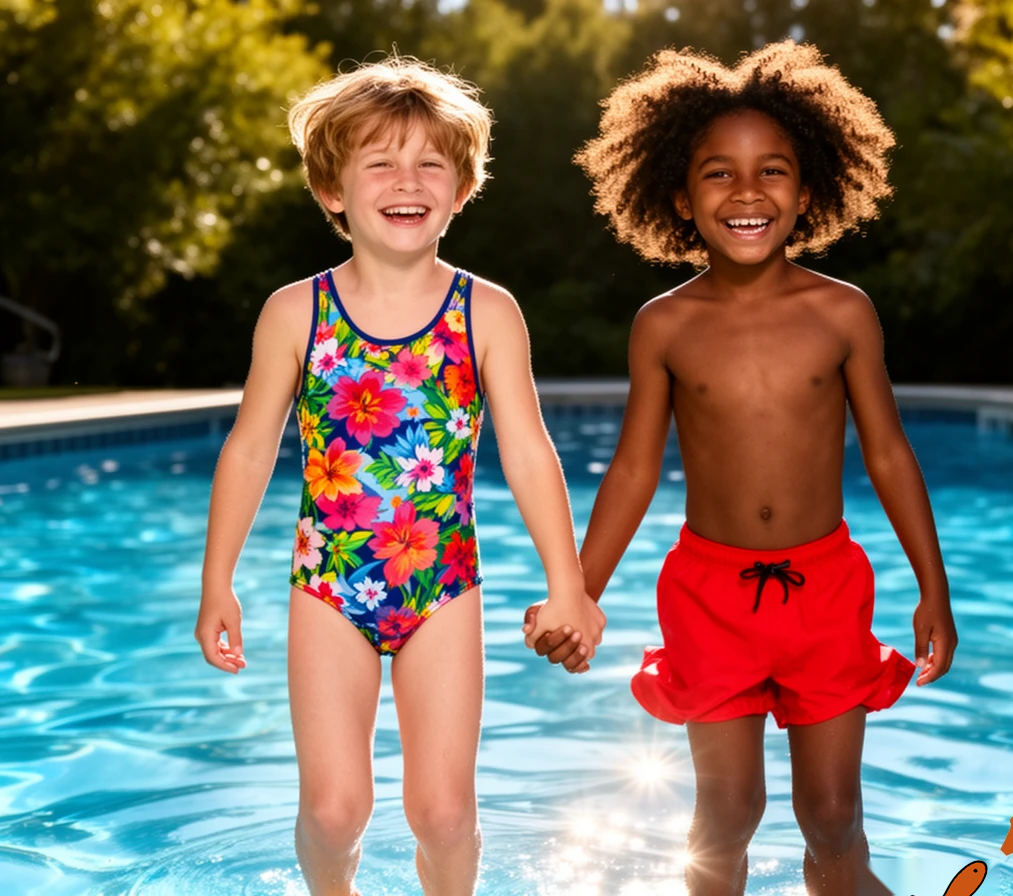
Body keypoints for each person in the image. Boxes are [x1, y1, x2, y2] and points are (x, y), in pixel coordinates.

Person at [524, 42, 957, 895]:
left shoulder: (843, 313)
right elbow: (634, 474)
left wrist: (931, 586)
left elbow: (889, 454)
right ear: (681, 199)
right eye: (720, 174)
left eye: (774, 172)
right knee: (724, 822)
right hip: (708, 599)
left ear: (809, 191)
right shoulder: (664, 325)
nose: (748, 193)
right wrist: (579, 589)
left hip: (827, 592)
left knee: (833, 821)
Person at [194, 57, 604, 896]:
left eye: (430, 164)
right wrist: (217, 581)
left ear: (460, 189)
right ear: (333, 191)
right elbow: (247, 448)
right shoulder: (295, 312)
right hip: (328, 586)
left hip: (442, 590)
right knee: (336, 810)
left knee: (445, 813)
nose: (406, 180)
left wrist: (569, 584)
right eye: (379, 161)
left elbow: (528, 450)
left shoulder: (484, 311)